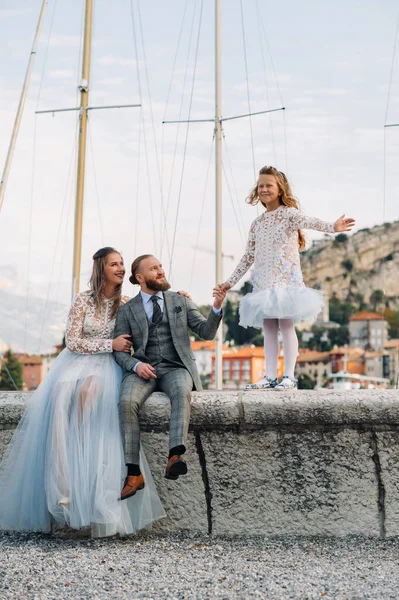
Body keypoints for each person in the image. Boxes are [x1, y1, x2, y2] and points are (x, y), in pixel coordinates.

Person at [0, 247, 165, 537]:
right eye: (114, 264)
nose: (121, 268)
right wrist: (107, 343)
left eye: (123, 264)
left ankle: (93, 490)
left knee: (87, 396)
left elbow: (152, 322)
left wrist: (180, 300)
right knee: (61, 396)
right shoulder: (83, 300)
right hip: (77, 361)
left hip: (108, 366)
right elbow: (72, 340)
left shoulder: (126, 303)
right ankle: (63, 483)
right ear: (101, 269)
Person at [215, 166, 355, 391]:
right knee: (269, 328)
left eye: (269, 185)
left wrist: (333, 227)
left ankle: (289, 376)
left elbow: (311, 222)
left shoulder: (288, 214)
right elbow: (248, 256)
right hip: (263, 283)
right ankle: (269, 376)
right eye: (260, 186)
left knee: (286, 326)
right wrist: (229, 283)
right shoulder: (257, 224)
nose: (264, 189)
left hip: (286, 282)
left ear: (280, 189)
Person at [113, 254, 226, 500]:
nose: (161, 271)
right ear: (140, 278)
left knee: (181, 391)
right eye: (154, 269)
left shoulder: (180, 300)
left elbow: (206, 333)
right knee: (126, 402)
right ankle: (133, 473)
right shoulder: (127, 310)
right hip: (144, 369)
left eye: (161, 266)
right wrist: (134, 366)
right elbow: (119, 352)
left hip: (176, 367)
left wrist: (216, 307)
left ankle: (175, 455)